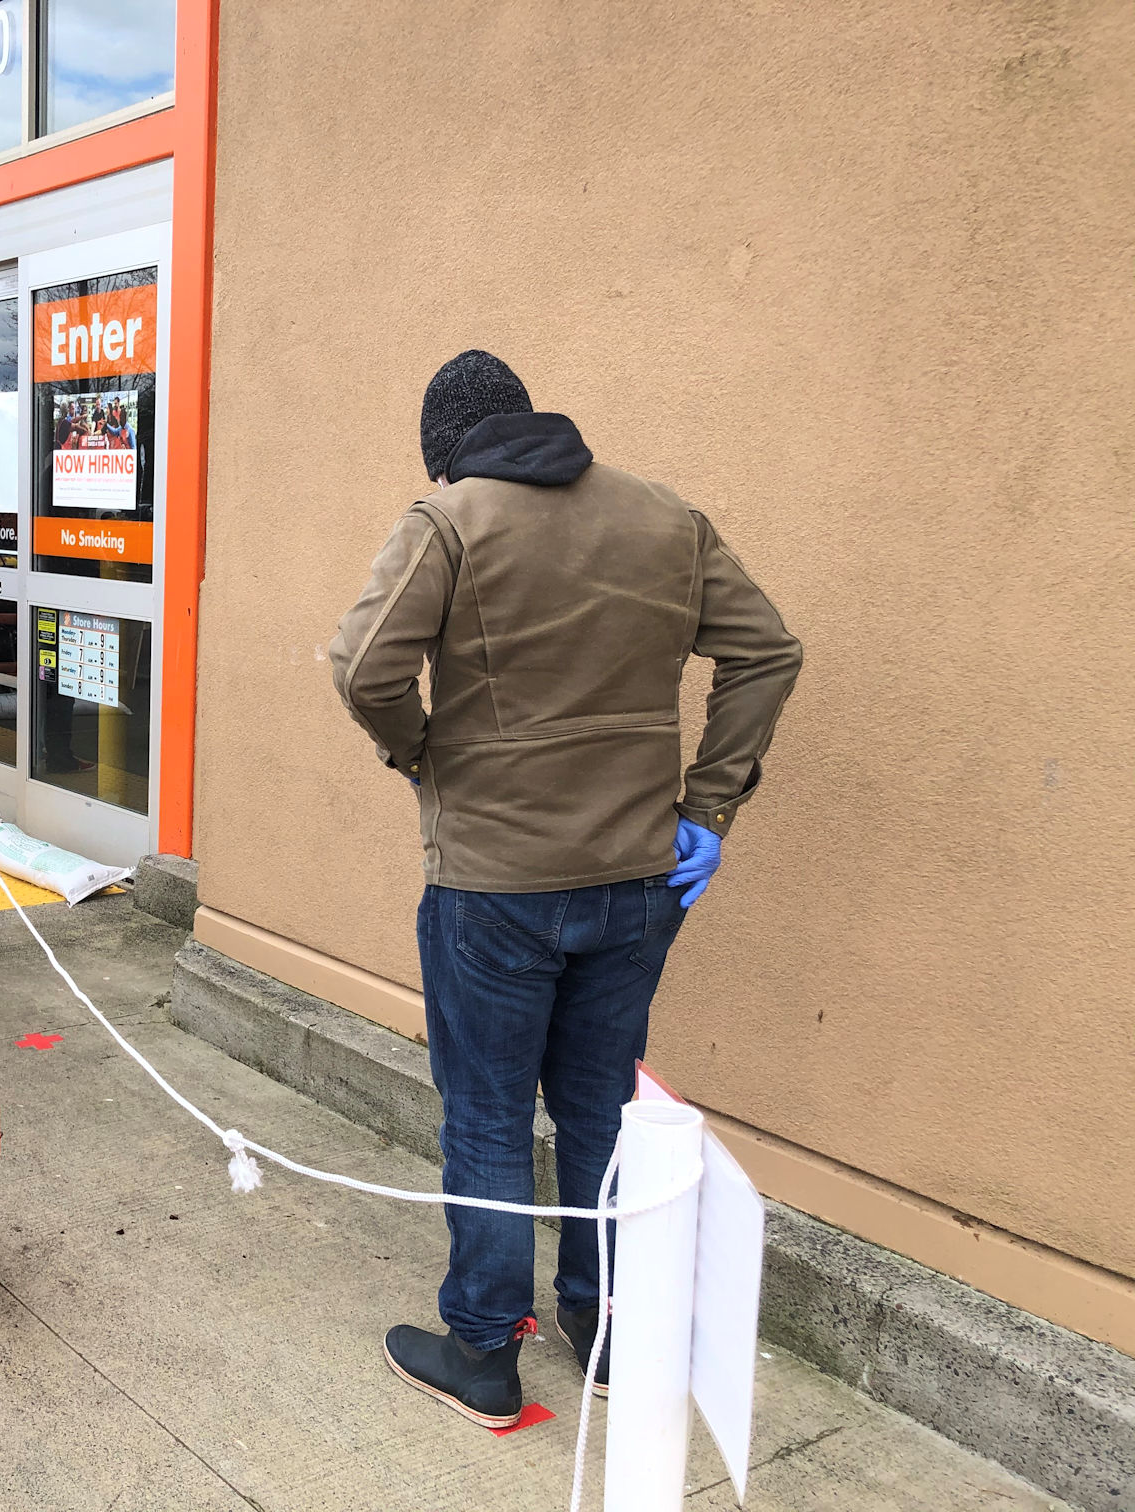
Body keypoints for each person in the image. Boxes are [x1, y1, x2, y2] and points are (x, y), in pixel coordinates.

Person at [329, 350, 802, 1428]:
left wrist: (419, 755)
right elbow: (768, 652)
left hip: (493, 885)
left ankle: (484, 1350)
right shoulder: (665, 517)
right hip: (639, 879)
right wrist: (709, 807)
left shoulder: (449, 519)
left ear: (446, 452)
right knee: (598, 1113)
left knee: (489, 1116)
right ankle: (607, 1332)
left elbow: (364, 668)